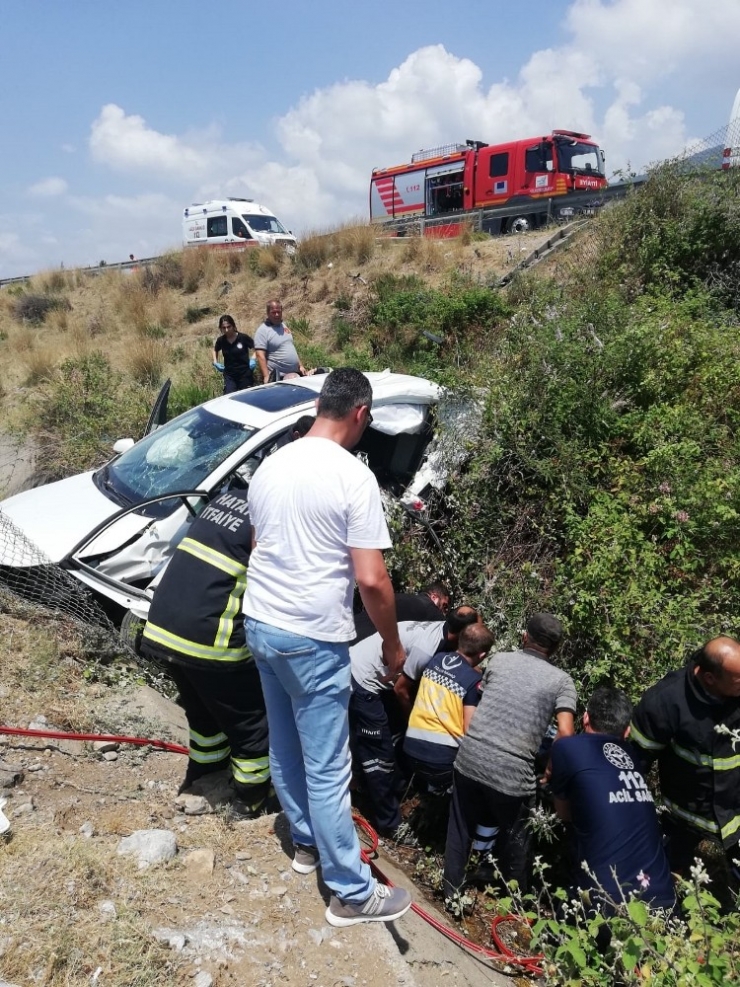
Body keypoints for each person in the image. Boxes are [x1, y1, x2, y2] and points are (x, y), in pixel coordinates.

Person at [243, 367, 412, 928]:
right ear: (361, 414)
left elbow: (261, 543)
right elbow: (372, 579)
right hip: (312, 637)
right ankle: (349, 892)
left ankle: (306, 845)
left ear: (322, 404)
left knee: (285, 745)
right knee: (328, 766)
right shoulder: (352, 477)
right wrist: (391, 645)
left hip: (262, 622)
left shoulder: (273, 463)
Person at [140, 488, 270, 819]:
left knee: (204, 713)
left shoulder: (231, 497)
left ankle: (203, 775)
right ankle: (251, 801)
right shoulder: (276, 514)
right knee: (252, 724)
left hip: (164, 625)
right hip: (208, 636)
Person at [443, 613, 576, 900]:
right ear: (555, 649)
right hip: (513, 776)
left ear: (525, 637)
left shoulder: (499, 660)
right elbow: (565, 732)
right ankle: (514, 902)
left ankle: (451, 890)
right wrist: (551, 768)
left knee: (461, 825)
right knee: (517, 836)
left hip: (470, 759)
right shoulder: (562, 681)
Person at [550, 686, 675, 913]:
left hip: (606, 902)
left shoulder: (567, 747)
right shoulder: (632, 757)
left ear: (586, 717)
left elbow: (563, 814)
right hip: (663, 903)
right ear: (627, 731)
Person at [630, 637, 740, 891]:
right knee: (661, 876)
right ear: (711, 678)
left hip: (734, 811)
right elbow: (636, 762)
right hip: (684, 814)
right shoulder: (665, 701)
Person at [348, 585, 450, 839]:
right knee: (378, 750)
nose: (444, 613)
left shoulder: (400, 602)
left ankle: (365, 784)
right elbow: (404, 688)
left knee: (369, 737)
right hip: (367, 674)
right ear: (435, 598)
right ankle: (389, 821)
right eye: (445, 606)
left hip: (353, 654)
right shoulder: (430, 615)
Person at [404, 623, 495, 793]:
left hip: (410, 748)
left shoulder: (436, 659)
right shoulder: (473, 681)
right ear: (482, 654)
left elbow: (457, 670)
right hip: (440, 757)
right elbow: (469, 729)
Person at [394, 605, 481, 718]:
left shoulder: (450, 632)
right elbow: (400, 689)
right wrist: (414, 724)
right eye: (478, 631)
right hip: (371, 677)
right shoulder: (426, 650)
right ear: (465, 633)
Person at [254, 299, 305, 382]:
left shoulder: (284, 326)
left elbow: (290, 347)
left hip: (295, 374)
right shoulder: (263, 330)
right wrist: (266, 376)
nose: (277, 314)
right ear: (268, 313)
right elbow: (260, 355)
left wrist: (301, 366)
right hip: (279, 377)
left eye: (279, 312)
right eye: (273, 312)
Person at [212, 314, 255, 393]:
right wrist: (215, 362)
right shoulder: (221, 340)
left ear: (233, 326)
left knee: (246, 396)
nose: (227, 330)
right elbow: (215, 350)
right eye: (224, 328)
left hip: (244, 373)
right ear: (220, 328)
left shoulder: (243, 337)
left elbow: (256, 348)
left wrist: (253, 359)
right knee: (229, 397)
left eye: (229, 327)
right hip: (230, 375)